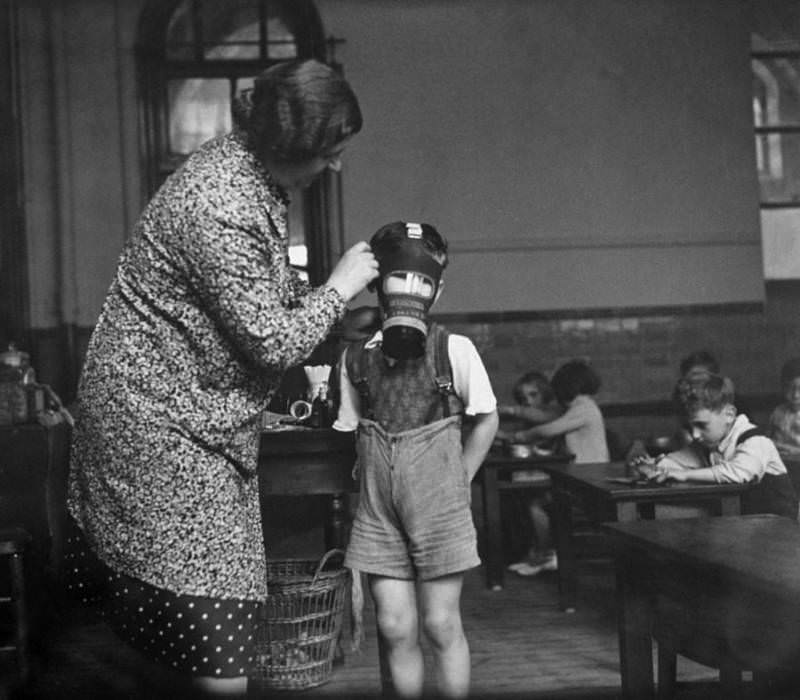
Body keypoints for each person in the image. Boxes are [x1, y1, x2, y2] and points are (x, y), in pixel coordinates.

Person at [65, 59, 378, 697]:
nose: (336, 166)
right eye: (331, 153)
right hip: (158, 429)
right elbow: (269, 342)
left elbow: (262, 299)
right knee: (215, 636)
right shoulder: (219, 200)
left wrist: (323, 307)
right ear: (294, 148)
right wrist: (339, 287)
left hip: (186, 422)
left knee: (207, 624)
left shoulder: (250, 178)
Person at [333, 221, 498, 699]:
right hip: (380, 510)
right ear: (374, 285)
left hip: (440, 506)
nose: (410, 292)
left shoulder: (453, 350)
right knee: (393, 625)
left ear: (437, 290)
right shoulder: (356, 360)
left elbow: (486, 419)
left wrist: (460, 478)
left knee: (441, 623)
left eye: (422, 282)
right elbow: (351, 429)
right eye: (396, 279)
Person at [633, 374, 799, 519]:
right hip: (744, 526)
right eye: (691, 428)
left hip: (780, 530)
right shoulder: (709, 443)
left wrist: (684, 475)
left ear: (729, 414)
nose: (695, 435)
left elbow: (736, 473)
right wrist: (654, 465)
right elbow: (678, 461)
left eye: (702, 425)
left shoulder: (756, 441)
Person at [503, 360, 609, 575]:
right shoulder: (580, 406)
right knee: (531, 498)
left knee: (537, 504)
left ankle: (548, 555)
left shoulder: (584, 407)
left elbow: (549, 429)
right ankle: (541, 554)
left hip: (589, 478)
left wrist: (518, 436)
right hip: (583, 475)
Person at [495, 371, 562, 574]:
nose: (529, 402)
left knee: (534, 502)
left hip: (560, 476)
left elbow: (540, 420)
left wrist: (510, 410)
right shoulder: (530, 420)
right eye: (524, 398)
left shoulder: (554, 412)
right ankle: (532, 551)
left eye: (534, 395)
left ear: (545, 394)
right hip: (541, 474)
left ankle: (546, 552)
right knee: (512, 499)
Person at [768, 357, 800, 460]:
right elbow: (768, 438)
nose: (795, 395)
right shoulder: (778, 412)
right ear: (783, 387)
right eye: (790, 388)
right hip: (779, 460)